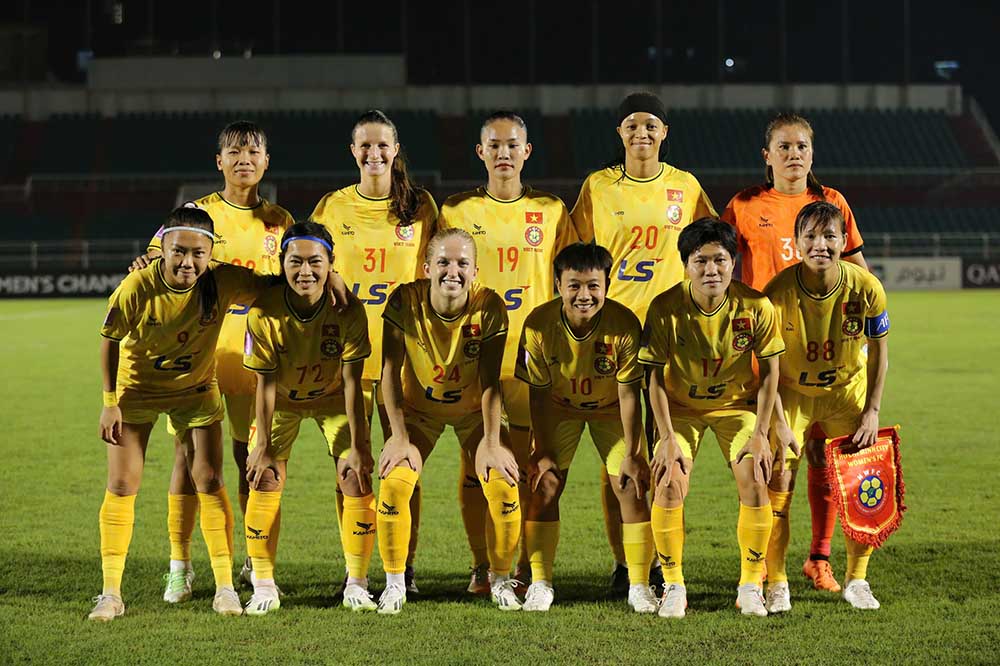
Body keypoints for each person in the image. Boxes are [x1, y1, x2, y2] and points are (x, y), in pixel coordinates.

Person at [90, 206, 274, 621]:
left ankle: (225, 587)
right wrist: (109, 403)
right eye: (178, 252)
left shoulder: (223, 280)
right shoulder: (137, 286)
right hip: (137, 392)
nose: (187, 262)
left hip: (195, 391)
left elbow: (271, 288)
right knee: (122, 482)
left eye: (197, 253)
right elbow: (109, 340)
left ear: (211, 253)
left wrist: (325, 276)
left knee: (209, 478)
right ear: (163, 250)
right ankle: (110, 594)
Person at [137, 120, 295, 601]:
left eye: (253, 152)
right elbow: (153, 262)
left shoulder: (279, 221)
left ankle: (254, 561)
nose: (244, 159)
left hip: (258, 362)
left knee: (255, 461)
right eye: (234, 152)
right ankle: (179, 565)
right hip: (197, 358)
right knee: (188, 461)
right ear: (219, 161)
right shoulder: (193, 214)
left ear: (266, 162)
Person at [571, 92, 716, 591]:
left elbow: (709, 245)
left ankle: (662, 560)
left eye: (651, 125)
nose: (642, 133)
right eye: (632, 125)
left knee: (666, 452)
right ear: (620, 133)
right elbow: (577, 256)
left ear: (664, 132)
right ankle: (626, 561)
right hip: (615, 334)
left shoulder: (686, 185)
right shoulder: (598, 186)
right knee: (622, 457)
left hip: (673, 335)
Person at [721, 113, 869, 593]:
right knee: (773, 461)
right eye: (783, 147)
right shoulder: (743, 206)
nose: (793, 154)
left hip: (827, 356)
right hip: (768, 357)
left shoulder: (832, 203)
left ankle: (819, 559)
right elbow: (723, 270)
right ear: (767, 156)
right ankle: (765, 561)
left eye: (801, 146)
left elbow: (861, 273)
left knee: (827, 460)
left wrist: (863, 333)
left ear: (812, 153)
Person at [438, 110, 578, 593]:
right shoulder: (455, 212)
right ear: (481, 152)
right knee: (474, 468)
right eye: (493, 145)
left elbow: (573, 285)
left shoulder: (554, 210)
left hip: (534, 358)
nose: (503, 153)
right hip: (474, 358)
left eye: (512, 145)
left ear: (527, 151)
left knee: (527, 466)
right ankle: (482, 565)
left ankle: (520, 568)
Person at [311, 110, 438, 594]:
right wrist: (333, 275)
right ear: (352, 151)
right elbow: (307, 256)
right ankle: (356, 569)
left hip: (404, 356)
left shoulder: (419, 206)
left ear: (396, 149)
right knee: (351, 464)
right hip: (346, 356)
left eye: (382, 145)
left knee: (403, 461)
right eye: (364, 145)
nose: (374, 153)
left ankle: (402, 565)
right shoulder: (334, 206)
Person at [639, 219, 785, 618]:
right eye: (700, 261)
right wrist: (666, 436)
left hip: (737, 409)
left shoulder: (755, 306)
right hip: (681, 411)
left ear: (733, 262)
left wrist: (761, 433)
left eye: (720, 260)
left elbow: (771, 373)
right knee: (669, 480)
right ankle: (673, 586)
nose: (711, 270)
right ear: (685, 264)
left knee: (756, 474)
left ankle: (751, 585)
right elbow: (652, 378)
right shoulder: (666, 308)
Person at [374, 228, 521, 615]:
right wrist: (398, 435)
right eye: (443, 262)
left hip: (474, 411)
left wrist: (491, 441)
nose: (452, 271)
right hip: (418, 412)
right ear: (426, 268)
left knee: (504, 484)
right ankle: (396, 582)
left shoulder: (489, 306)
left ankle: (498, 578)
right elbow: (388, 371)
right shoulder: (404, 300)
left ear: (475, 271)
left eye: (461, 263)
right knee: (394, 484)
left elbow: (491, 380)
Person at [241, 222, 376, 615]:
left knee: (355, 474)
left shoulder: (349, 311)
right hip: (282, 401)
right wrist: (262, 445)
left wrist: (361, 445)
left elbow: (353, 383)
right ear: (280, 263)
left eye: (315, 262)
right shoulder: (264, 312)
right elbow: (263, 384)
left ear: (331, 264)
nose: (305, 271)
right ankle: (264, 584)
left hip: (334, 397)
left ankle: (357, 582)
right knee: (264, 476)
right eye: (295, 261)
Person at [763, 201, 890, 612]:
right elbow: (766, 367)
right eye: (811, 237)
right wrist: (779, 423)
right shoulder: (777, 292)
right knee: (777, 484)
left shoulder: (866, 287)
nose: (821, 244)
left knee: (861, 484)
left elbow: (880, 353)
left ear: (843, 241)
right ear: (796, 243)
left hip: (845, 393)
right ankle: (777, 581)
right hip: (792, 395)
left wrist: (871, 411)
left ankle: (857, 579)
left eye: (830, 236)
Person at [516, 243, 657, 614]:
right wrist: (542, 449)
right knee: (544, 483)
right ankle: (540, 582)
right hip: (559, 409)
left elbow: (630, 397)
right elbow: (538, 394)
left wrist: (633, 453)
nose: (584, 295)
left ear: (607, 285)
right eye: (574, 285)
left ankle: (640, 584)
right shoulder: (537, 324)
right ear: (558, 284)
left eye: (594, 285)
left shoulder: (624, 323)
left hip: (610, 409)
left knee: (631, 483)